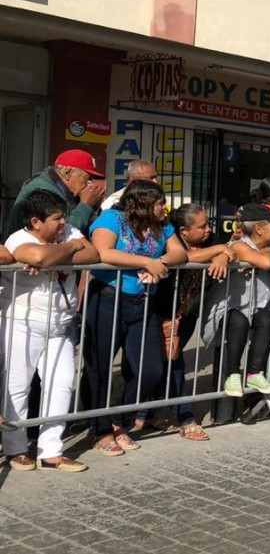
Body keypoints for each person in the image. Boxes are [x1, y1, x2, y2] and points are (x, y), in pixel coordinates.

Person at [85, 180, 188, 456]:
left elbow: (179, 251)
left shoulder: (161, 226)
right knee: (101, 369)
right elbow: (104, 252)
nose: (163, 208)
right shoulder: (113, 219)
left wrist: (161, 263)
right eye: (158, 202)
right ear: (141, 203)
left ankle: (122, 421)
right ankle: (101, 430)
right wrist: (145, 262)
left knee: (151, 368)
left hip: (143, 303)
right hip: (108, 298)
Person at [1, 191, 98, 472]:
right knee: (16, 387)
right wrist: (69, 249)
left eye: (64, 218)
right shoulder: (19, 238)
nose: (63, 224)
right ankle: (16, 448)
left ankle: (51, 450)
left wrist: (57, 254)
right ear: (36, 222)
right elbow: (39, 256)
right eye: (56, 219)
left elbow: (93, 253)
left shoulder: (69, 231)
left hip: (59, 324)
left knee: (62, 383)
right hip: (23, 321)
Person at [141, 203, 232, 441]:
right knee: (173, 363)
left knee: (169, 362)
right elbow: (185, 257)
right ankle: (185, 418)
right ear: (183, 231)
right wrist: (220, 249)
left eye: (208, 224)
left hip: (188, 313)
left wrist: (223, 254)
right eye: (201, 226)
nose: (207, 230)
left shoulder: (212, 240)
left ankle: (146, 412)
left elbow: (235, 250)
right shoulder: (171, 240)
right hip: (162, 311)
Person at [221, 203, 270, 400]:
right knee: (239, 322)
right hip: (234, 306)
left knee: (266, 320)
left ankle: (254, 373)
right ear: (259, 229)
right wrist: (267, 251)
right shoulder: (240, 245)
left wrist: (265, 252)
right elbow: (268, 263)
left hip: (258, 306)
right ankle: (232, 373)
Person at [5, 149, 105, 237]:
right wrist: (85, 206)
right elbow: (58, 233)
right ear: (67, 174)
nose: (89, 185)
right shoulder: (44, 190)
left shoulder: (61, 190)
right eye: (87, 179)